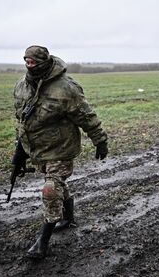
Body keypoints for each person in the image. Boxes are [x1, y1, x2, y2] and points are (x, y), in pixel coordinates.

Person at [12, 45, 108, 259]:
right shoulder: (21, 86)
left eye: (33, 61)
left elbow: (86, 116)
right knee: (58, 184)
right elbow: (22, 121)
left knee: (50, 189)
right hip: (39, 148)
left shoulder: (66, 88)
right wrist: (20, 150)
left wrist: (100, 140)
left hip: (62, 148)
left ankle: (42, 242)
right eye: (26, 61)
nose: (29, 64)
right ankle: (68, 218)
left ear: (45, 62)